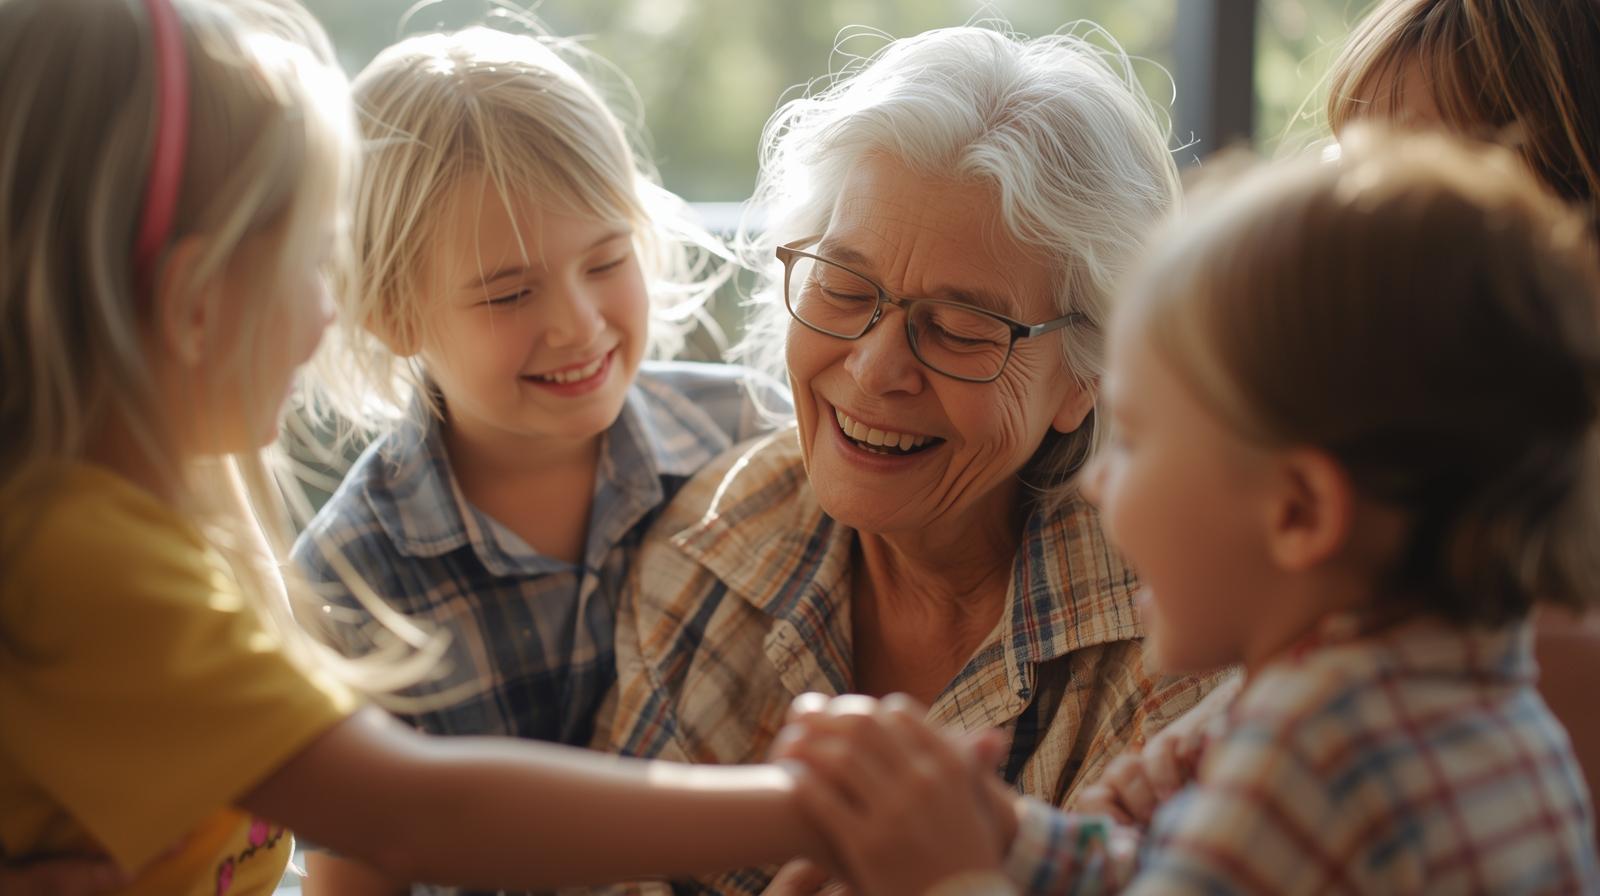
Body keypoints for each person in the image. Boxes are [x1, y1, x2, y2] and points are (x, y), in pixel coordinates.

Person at [0, 1, 837, 893]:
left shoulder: (131, 534)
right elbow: (411, 819)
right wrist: (822, 810)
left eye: (605, 261)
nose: (329, 310)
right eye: (311, 265)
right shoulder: (94, 566)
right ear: (193, 306)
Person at [779, 127, 1600, 894]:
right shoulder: (1475, 703)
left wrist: (947, 876)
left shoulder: (1311, 761)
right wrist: (1001, 833)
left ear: (1298, 511)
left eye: (1133, 439)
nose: (1096, 482)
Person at [596, 23, 1216, 895]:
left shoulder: (1183, 636)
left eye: (962, 329)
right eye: (843, 287)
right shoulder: (711, 547)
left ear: (1087, 379)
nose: (874, 368)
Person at [287, 26, 786, 896]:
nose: (579, 324)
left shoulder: (750, 437)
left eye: (607, 260)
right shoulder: (347, 582)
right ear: (391, 313)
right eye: (511, 293)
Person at [1082, 0, 1600, 834]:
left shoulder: (1517, 626)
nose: (1336, 223)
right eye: (1344, 165)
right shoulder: (1371, 556)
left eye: (1405, 186)